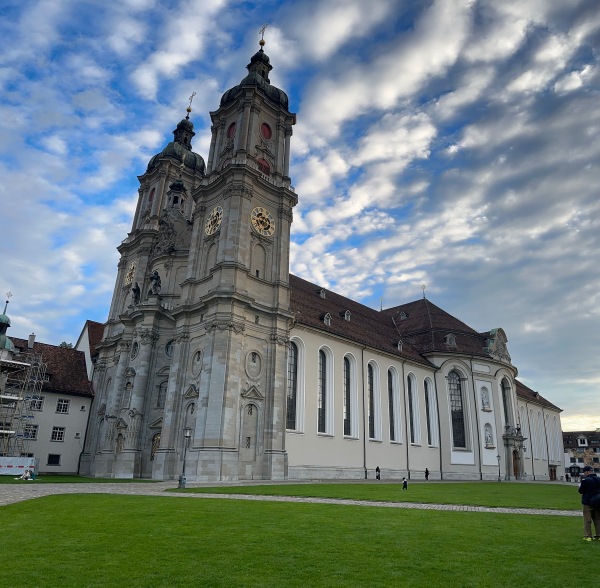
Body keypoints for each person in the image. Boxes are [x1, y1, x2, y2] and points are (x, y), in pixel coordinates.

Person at [578, 465, 600, 541]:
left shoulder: (585, 480)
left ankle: (588, 536)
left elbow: (581, 491)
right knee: (597, 519)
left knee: (587, 520)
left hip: (588, 501)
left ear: (587, 472)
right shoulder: (599, 479)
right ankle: (599, 535)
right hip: (598, 501)